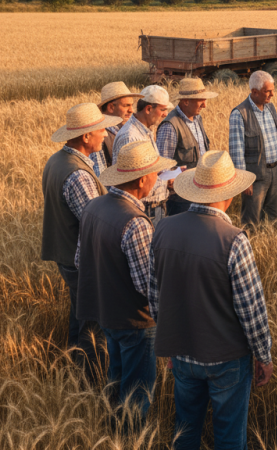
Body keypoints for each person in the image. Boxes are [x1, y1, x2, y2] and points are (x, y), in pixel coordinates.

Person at [148, 151, 275, 449]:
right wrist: (263, 355)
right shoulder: (233, 239)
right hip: (227, 358)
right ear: (228, 195)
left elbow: (155, 294)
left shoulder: (163, 228)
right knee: (230, 437)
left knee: (186, 431)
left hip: (181, 353)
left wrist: (169, 340)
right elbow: (251, 310)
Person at [75, 140, 175, 429]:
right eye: (155, 173)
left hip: (106, 313)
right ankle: (129, 437)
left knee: (116, 379)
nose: (158, 178)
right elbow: (147, 285)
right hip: (136, 322)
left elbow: (81, 260)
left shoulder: (94, 207)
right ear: (143, 179)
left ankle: (112, 432)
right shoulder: (136, 222)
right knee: (138, 392)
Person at [42, 103, 121, 383]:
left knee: (79, 316)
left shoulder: (57, 160)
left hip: (65, 255)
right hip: (82, 261)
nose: (105, 133)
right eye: (100, 129)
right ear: (85, 137)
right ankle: (91, 381)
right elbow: (95, 223)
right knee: (93, 326)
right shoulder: (77, 174)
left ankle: (73, 372)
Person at [230, 71, 277, 228]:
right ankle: (250, 248)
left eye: (272, 90)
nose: (272, 94)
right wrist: (244, 181)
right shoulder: (239, 114)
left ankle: (269, 248)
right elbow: (237, 150)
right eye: (268, 91)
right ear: (254, 92)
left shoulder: (270, 108)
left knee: (273, 217)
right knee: (251, 220)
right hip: (254, 176)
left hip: (275, 172)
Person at [157, 77, 217, 216]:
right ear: (185, 101)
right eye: (200, 100)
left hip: (199, 192)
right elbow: (163, 170)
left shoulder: (197, 119)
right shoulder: (170, 126)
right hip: (180, 200)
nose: (205, 105)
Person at [114, 85, 173, 226]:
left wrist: (167, 177)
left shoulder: (146, 131)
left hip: (154, 208)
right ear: (148, 109)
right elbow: (131, 182)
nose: (166, 114)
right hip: (143, 209)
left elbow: (147, 172)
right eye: (163, 109)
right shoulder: (130, 137)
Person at [93, 81, 143, 174]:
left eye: (132, 105)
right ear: (111, 107)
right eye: (126, 105)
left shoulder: (127, 130)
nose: (131, 110)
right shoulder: (99, 135)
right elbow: (100, 175)